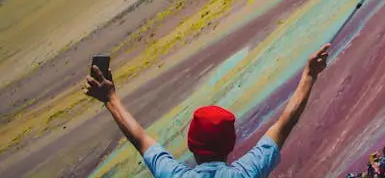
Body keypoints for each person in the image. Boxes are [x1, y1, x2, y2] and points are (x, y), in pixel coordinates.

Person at [83, 44, 331, 177]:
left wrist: (110, 98)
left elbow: (140, 139)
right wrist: (309, 76)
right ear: (230, 144)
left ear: (191, 144)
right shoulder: (247, 172)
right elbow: (284, 124)